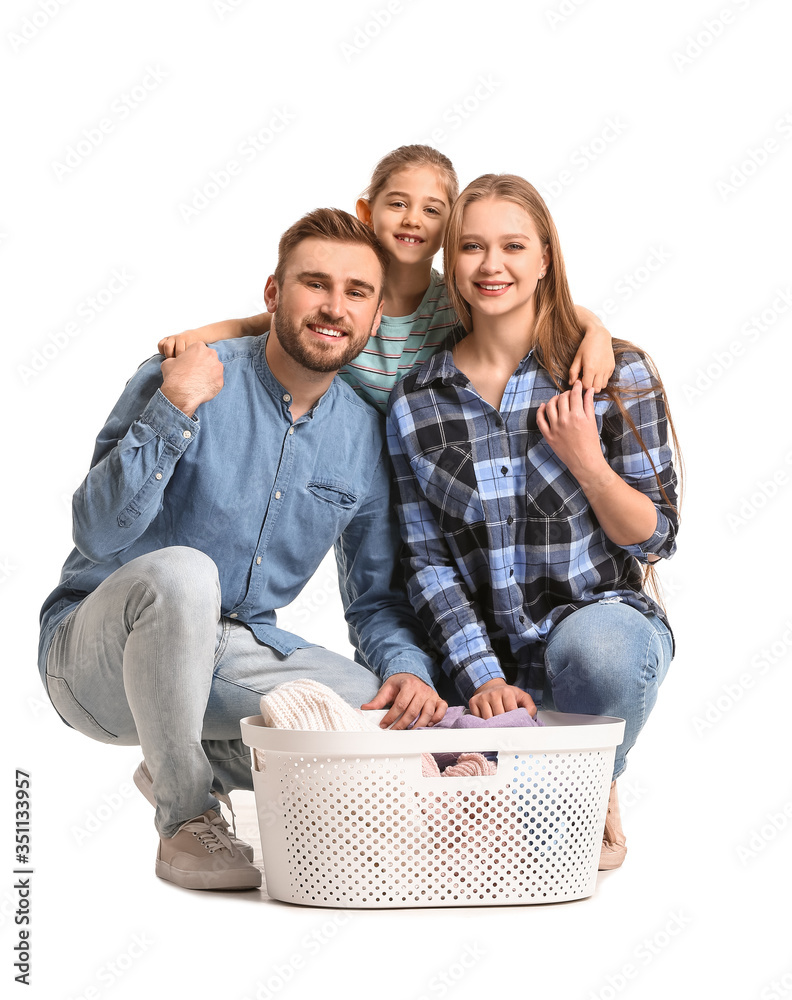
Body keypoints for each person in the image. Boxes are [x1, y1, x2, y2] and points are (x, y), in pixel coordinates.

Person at [38, 208, 447, 892]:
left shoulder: (362, 435)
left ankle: (191, 752)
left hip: (229, 651)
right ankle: (185, 815)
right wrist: (176, 408)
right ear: (273, 295)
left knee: (379, 710)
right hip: (93, 655)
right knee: (185, 574)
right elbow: (97, 532)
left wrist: (407, 668)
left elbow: (374, 598)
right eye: (315, 284)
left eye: (356, 293)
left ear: (376, 318)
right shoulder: (185, 374)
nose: (333, 307)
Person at [386, 174, 681, 870]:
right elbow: (425, 561)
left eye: (513, 246)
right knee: (466, 840)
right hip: (486, 672)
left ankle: (586, 779)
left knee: (598, 656)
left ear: (545, 257)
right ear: (449, 262)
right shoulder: (415, 400)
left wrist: (588, 462)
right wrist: (483, 677)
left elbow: (656, 536)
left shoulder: (616, 373)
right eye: (472, 247)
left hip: (597, 633)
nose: (493, 266)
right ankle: (560, 785)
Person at [158, 145, 616, 411]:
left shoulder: (456, 301)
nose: (413, 219)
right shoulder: (347, 301)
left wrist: (595, 331)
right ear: (366, 212)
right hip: (354, 462)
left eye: (432, 210)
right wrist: (193, 337)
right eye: (398, 203)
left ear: (452, 227)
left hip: (428, 453)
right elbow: (256, 326)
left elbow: (540, 306)